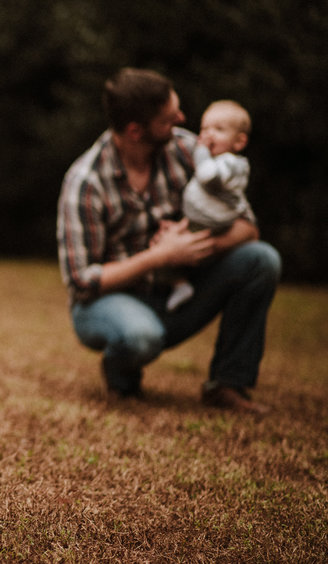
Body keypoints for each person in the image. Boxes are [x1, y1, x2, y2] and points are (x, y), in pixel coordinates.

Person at [56, 67, 280, 414]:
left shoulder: (188, 150)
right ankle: (122, 372)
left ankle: (227, 384)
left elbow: (247, 228)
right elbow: (82, 281)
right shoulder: (86, 181)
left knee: (261, 259)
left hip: (179, 292)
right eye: (168, 118)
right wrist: (160, 256)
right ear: (135, 131)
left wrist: (191, 247)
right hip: (107, 303)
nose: (181, 119)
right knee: (140, 336)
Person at [165, 100, 254, 310]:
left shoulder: (231, 163)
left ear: (239, 142)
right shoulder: (220, 161)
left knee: (168, 257)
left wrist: (201, 150)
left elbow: (207, 175)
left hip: (208, 224)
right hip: (200, 219)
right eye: (205, 129)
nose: (209, 135)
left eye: (219, 129)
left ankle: (180, 285)